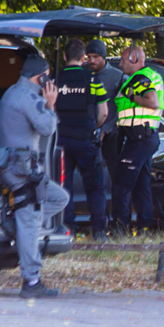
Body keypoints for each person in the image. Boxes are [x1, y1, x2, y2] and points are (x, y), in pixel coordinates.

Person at [0, 55, 70, 297]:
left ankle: (20, 225)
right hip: (23, 171)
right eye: (47, 75)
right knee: (29, 221)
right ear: (41, 77)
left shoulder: (11, 92)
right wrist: (50, 104)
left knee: (58, 198)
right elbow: (47, 128)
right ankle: (32, 282)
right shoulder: (29, 98)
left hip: (11, 167)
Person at [56, 38, 110, 241]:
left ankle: (68, 229)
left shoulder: (55, 79)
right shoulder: (93, 79)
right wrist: (92, 128)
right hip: (85, 140)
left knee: (64, 185)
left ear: (64, 56)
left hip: (61, 141)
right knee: (96, 186)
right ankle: (98, 231)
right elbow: (103, 113)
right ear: (83, 57)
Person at [112, 45, 164, 234]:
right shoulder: (152, 75)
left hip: (139, 138)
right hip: (144, 137)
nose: (120, 64)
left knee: (121, 183)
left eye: (123, 60)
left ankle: (120, 227)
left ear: (134, 60)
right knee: (141, 185)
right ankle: (145, 227)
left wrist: (132, 95)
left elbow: (153, 102)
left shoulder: (140, 78)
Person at [84, 40, 124, 177]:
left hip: (111, 135)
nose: (91, 60)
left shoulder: (118, 77)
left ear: (103, 57)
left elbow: (123, 108)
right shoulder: (83, 73)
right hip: (87, 133)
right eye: (88, 57)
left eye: (95, 57)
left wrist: (106, 129)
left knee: (115, 175)